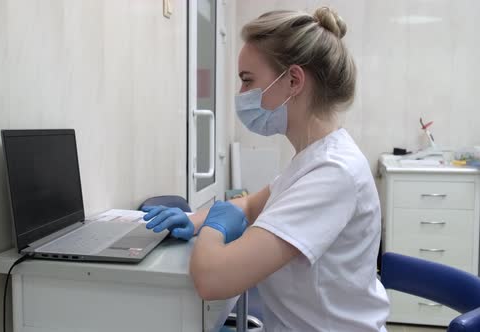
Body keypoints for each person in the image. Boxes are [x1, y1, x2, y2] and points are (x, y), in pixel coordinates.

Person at [142, 6, 389, 331]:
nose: (241, 95)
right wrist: (191, 220)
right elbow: (248, 205)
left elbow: (213, 279)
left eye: (248, 81)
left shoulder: (333, 173)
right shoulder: (312, 160)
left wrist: (214, 227)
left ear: (293, 81)